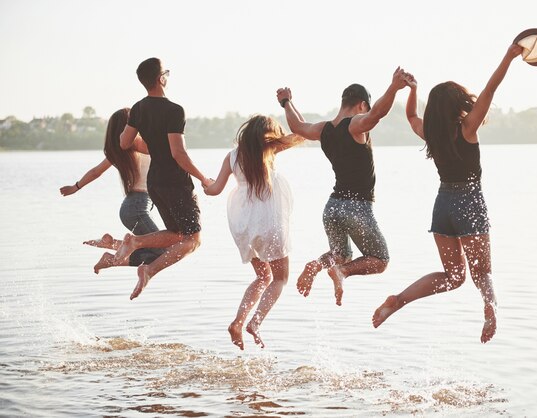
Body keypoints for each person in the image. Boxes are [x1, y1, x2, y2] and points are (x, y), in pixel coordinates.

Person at [372, 44, 523, 343]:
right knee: (483, 274)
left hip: (443, 205)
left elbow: (411, 114)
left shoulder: (430, 132)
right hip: (469, 201)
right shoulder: (467, 128)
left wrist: (411, 89)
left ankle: (399, 300)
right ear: (458, 104)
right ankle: (490, 308)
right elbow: (490, 90)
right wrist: (508, 56)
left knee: (454, 276)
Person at [276, 67, 408, 306]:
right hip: (356, 207)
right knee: (379, 260)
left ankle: (317, 265)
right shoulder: (356, 125)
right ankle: (341, 273)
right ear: (361, 105)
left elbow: (298, 126)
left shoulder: (323, 130)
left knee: (341, 255)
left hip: (333, 207)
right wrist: (394, 88)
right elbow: (377, 114)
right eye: (365, 109)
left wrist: (286, 102)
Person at [112, 57, 212, 300]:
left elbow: (124, 142)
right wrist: (203, 178)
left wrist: (152, 145)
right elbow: (179, 153)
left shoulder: (137, 108)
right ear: (161, 78)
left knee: (177, 234)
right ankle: (145, 261)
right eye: (166, 72)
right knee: (193, 240)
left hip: (154, 182)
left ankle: (138, 247)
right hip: (175, 181)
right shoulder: (174, 110)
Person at [203, 115, 304, 350]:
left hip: (244, 223)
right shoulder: (269, 148)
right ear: (268, 135)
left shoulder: (232, 156)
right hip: (269, 220)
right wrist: (289, 105)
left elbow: (215, 190)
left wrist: (205, 184)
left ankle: (238, 322)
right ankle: (255, 323)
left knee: (263, 277)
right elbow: (302, 134)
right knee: (280, 278)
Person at [59, 108, 163, 273]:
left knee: (156, 249)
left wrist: (76, 187)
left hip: (131, 207)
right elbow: (163, 145)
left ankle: (112, 244)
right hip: (138, 207)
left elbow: (96, 172)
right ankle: (111, 260)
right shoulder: (143, 144)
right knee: (163, 251)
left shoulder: (120, 151)